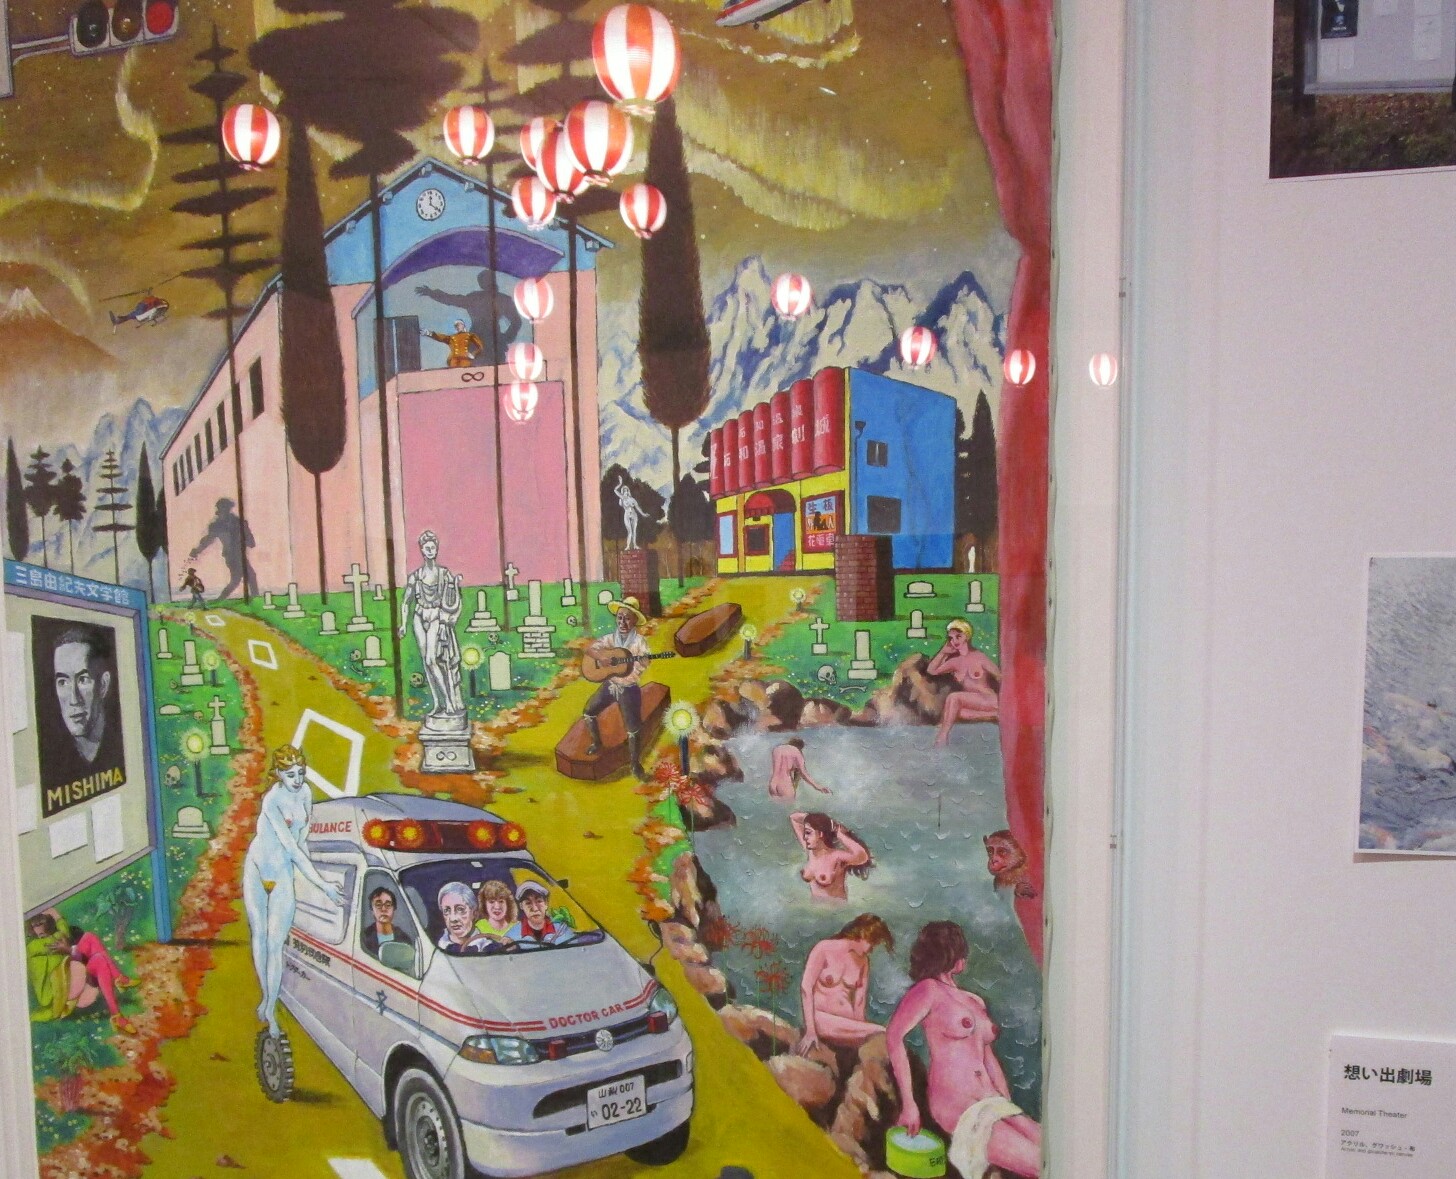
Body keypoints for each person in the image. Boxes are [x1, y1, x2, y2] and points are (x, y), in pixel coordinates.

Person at [887, 922, 1041, 1178]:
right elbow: (894, 1036)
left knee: (1050, 1149)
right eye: (961, 951)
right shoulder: (928, 990)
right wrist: (909, 1104)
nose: (965, 959)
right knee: (1038, 1162)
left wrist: (1006, 1101)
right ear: (951, 955)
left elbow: (988, 1057)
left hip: (993, 1100)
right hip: (957, 1104)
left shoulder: (974, 1001)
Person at [243, 745, 344, 1037]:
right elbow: (292, 848)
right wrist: (323, 885)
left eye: (301, 772)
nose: (298, 779)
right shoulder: (272, 800)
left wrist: (315, 881)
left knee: (276, 944)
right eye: (291, 775)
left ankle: (271, 1006)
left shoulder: (306, 793)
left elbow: (302, 840)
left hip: (283, 873)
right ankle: (266, 995)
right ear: (278, 774)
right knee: (260, 936)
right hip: (257, 869)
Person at [795, 914, 894, 1056]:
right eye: (872, 943)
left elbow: (859, 1002)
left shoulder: (864, 962)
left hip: (847, 1028)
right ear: (862, 934)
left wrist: (859, 1031)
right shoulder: (824, 948)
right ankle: (881, 1030)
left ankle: (877, 1031)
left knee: (877, 1035)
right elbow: (806, 987)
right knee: (880, 1030)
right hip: (821, 1021)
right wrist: (810, 1031)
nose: (871, 950)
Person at [25, 910, 136, 1033]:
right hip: (60, 995)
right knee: (84, 956)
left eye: (46, 932)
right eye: (41, 935)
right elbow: (62, 933)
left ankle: (117, 1014)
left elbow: (62, 933)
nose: (44, 937)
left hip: (72, 980)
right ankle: (119, 980)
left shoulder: (57, 938)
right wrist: (57, 917)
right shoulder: (33, 947)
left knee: (93, 944)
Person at [44, 625, 124, 792]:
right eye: (63, 682)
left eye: (83, 680)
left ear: (103, 685)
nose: (74, 699)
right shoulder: (52, 760)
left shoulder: (122, 743)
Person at [399, 530, 465, 721]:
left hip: (436, 617)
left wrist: (451, 617)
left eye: (433, 547)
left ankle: (450, 702)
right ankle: (438, 703)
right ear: (421, 550)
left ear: (437, 549)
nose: (430, 551)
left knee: (431, 659)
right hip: (419, 617)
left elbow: (455, 599)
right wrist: (403, 624)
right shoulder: (416, 576)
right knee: (426, 663)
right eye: (427, 548)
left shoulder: (443, 574)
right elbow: (406, 602)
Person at [583, 595, 652, 778]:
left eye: (627, 618)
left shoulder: (639, 643)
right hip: (610, 685)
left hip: (628, 689)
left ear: (634, 621)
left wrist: (640, 661)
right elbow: (590, 650)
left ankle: (635, 765)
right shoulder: (610, 639)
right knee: (589, 712)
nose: (622, 622)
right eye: (620, 617)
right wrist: (602, 658)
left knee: (633, 729)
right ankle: (597, 743)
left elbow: (643, 665)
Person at [927, 620, 1001, 747]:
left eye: (958, 636)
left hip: (989, 700)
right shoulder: (955, 662)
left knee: (954, 698)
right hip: (974, 703)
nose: (954, 641)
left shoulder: (979, 657)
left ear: (966, 636)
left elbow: (1000, 676)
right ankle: (993, 715)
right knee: (957, 712)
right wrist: (943, 652)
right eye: (951, 638)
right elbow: (931, 671)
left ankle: (943, 735)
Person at [790, 811, 873, 902]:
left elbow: (862, 856)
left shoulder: (837, 856)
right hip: (814, 909)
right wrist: (818, 820)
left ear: (820, 834)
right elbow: (794, 817)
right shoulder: (811, 852)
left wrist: (840, 834)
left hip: (837, 908)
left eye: (808, 833)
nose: (804, 837)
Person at [188, 498, 257, 601]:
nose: (224, 510)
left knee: (241, 578)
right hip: (231, 556)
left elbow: (250, 541)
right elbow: (208, 540)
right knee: (244, 577)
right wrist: (197, 550)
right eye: (222, 508)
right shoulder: (217, 525)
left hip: (239, 554)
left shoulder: (238, 522)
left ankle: (222, 599)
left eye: (226, 507)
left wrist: (247, 538)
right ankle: (253, 598)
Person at [504, 880, 575, 947]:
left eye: (539, 901)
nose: (535, 908)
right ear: (521, 906)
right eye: (528, 903)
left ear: (546, 903)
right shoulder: (511, 936)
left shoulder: (563, 930)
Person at [768, 737, 830, 801]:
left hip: (773, 784)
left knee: (776, 806)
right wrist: (818, 787)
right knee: (789, 806)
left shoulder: (777, 749)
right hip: (785, 785)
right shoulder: (796, 752)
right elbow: (804, 773)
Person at [436, 882, 490, 953]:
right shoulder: (433, 943)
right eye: (446, 910)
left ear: (475, 913)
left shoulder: (489, 946)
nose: (453, 919)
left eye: (460, 909)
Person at [362, 887, 414, 958]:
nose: (383, 909)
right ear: (372, 910)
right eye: (378, 905)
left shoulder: (404, 940)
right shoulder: (364, 938)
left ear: (394, 909)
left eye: (388, 905)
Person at [473, 880, 517, 945]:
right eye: (491, 902)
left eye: (501, 901)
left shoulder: (517, 927)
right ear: (484, 904)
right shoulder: (478, 927)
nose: (497, 907)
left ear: (508, 904)